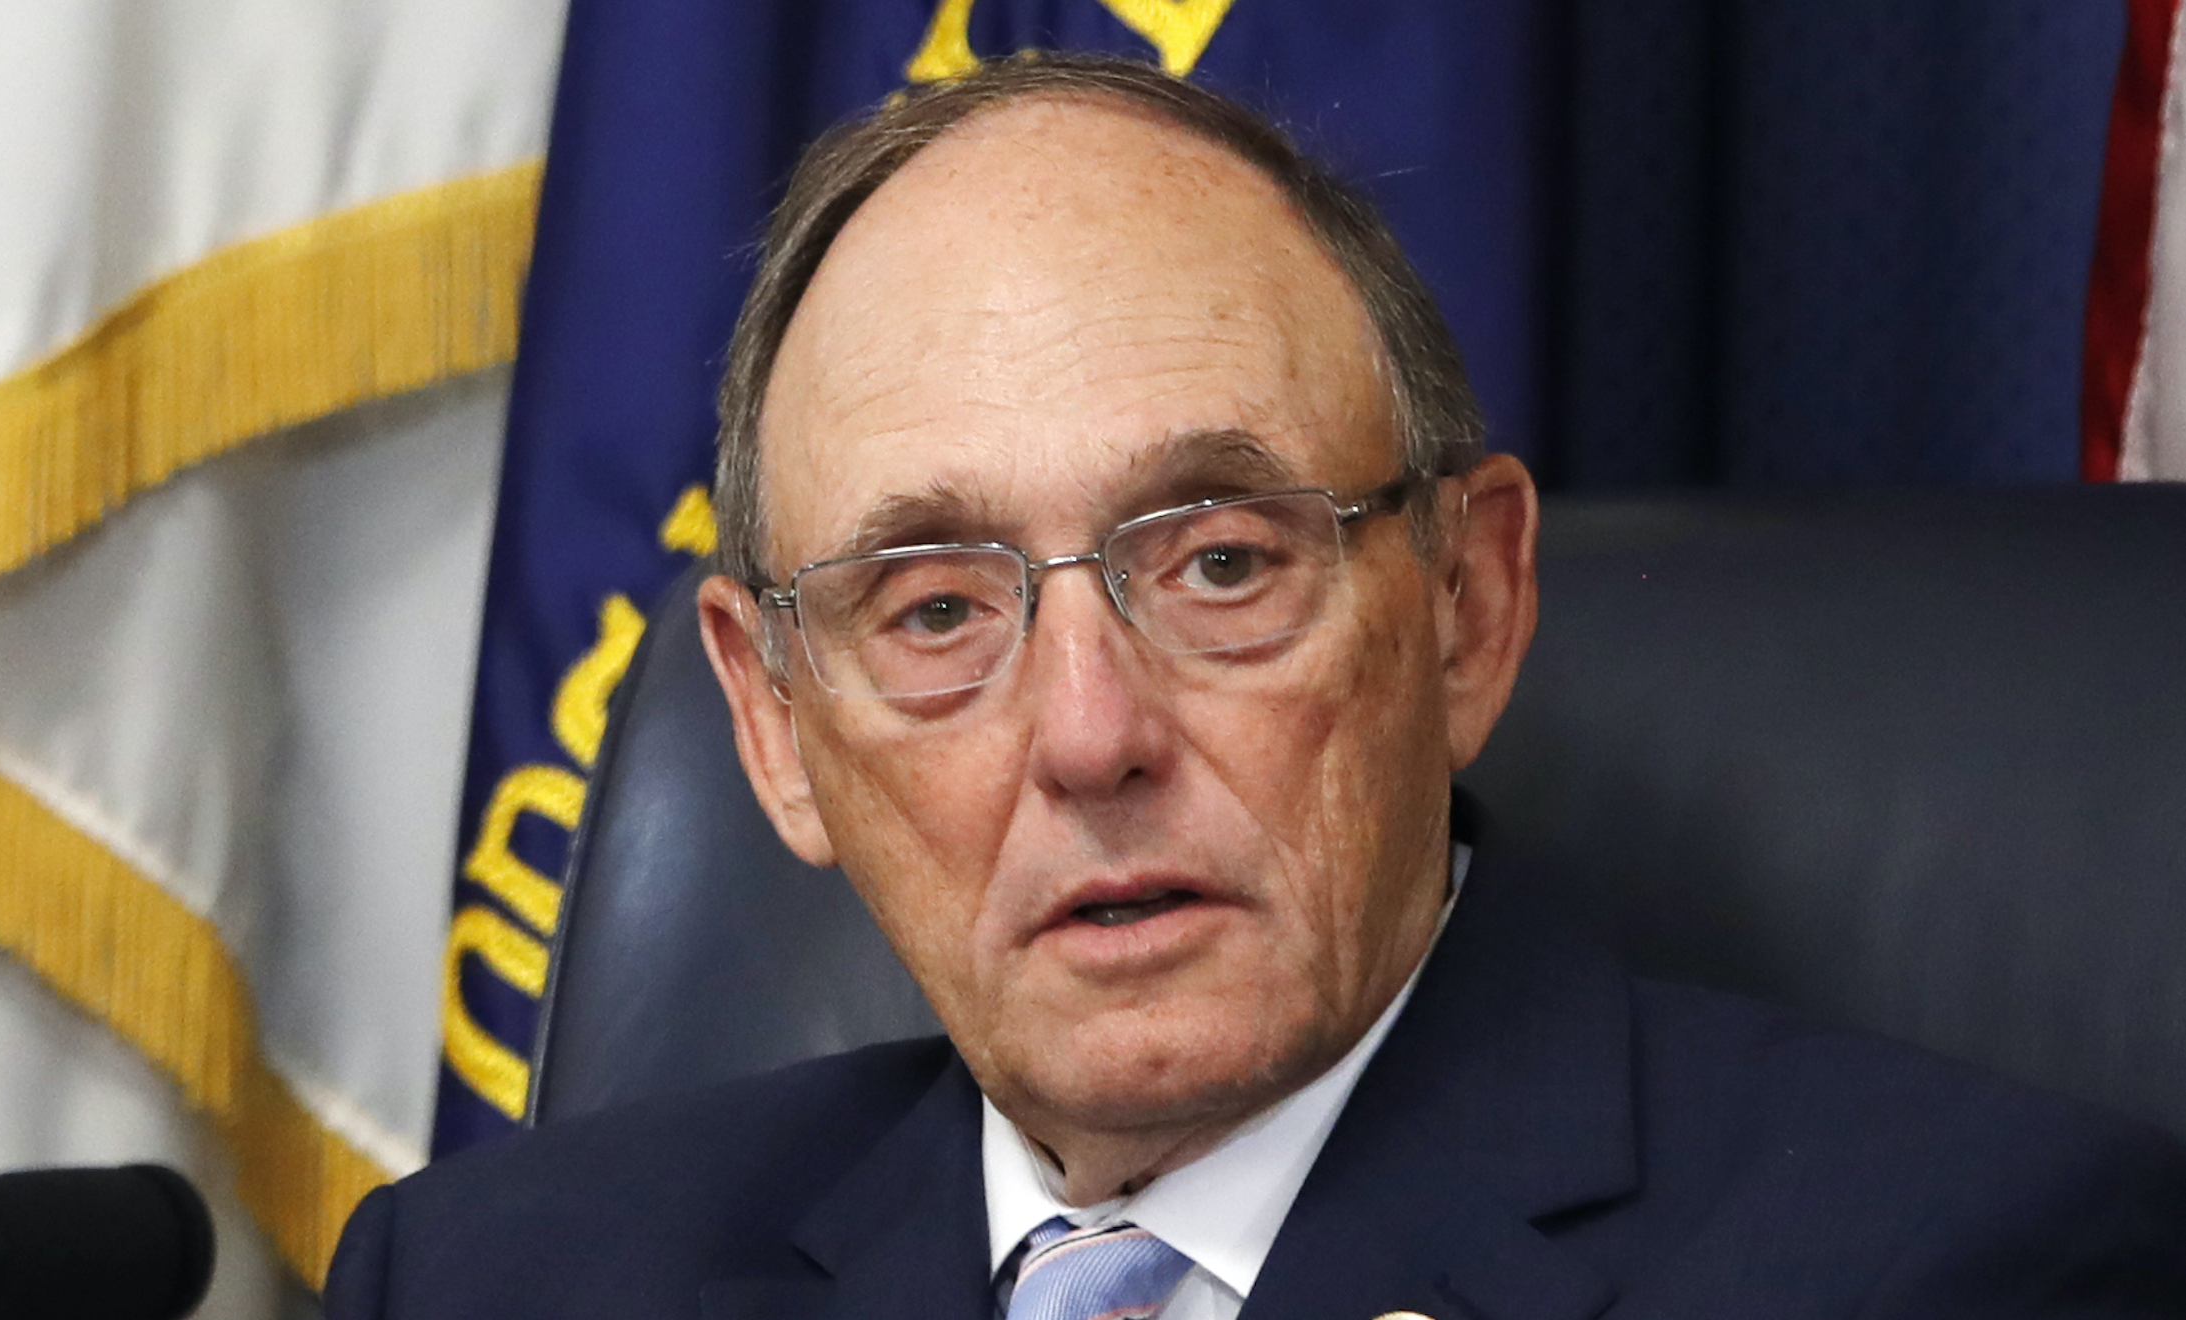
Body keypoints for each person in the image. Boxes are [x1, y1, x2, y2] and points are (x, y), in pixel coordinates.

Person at [323, 55, 2186, 1318]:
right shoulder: (490, 1282)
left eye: (1218, 564)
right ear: (771, 726)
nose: (1088, 738)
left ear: (1464, 605)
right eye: (935, 609)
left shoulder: (1968, 1264)